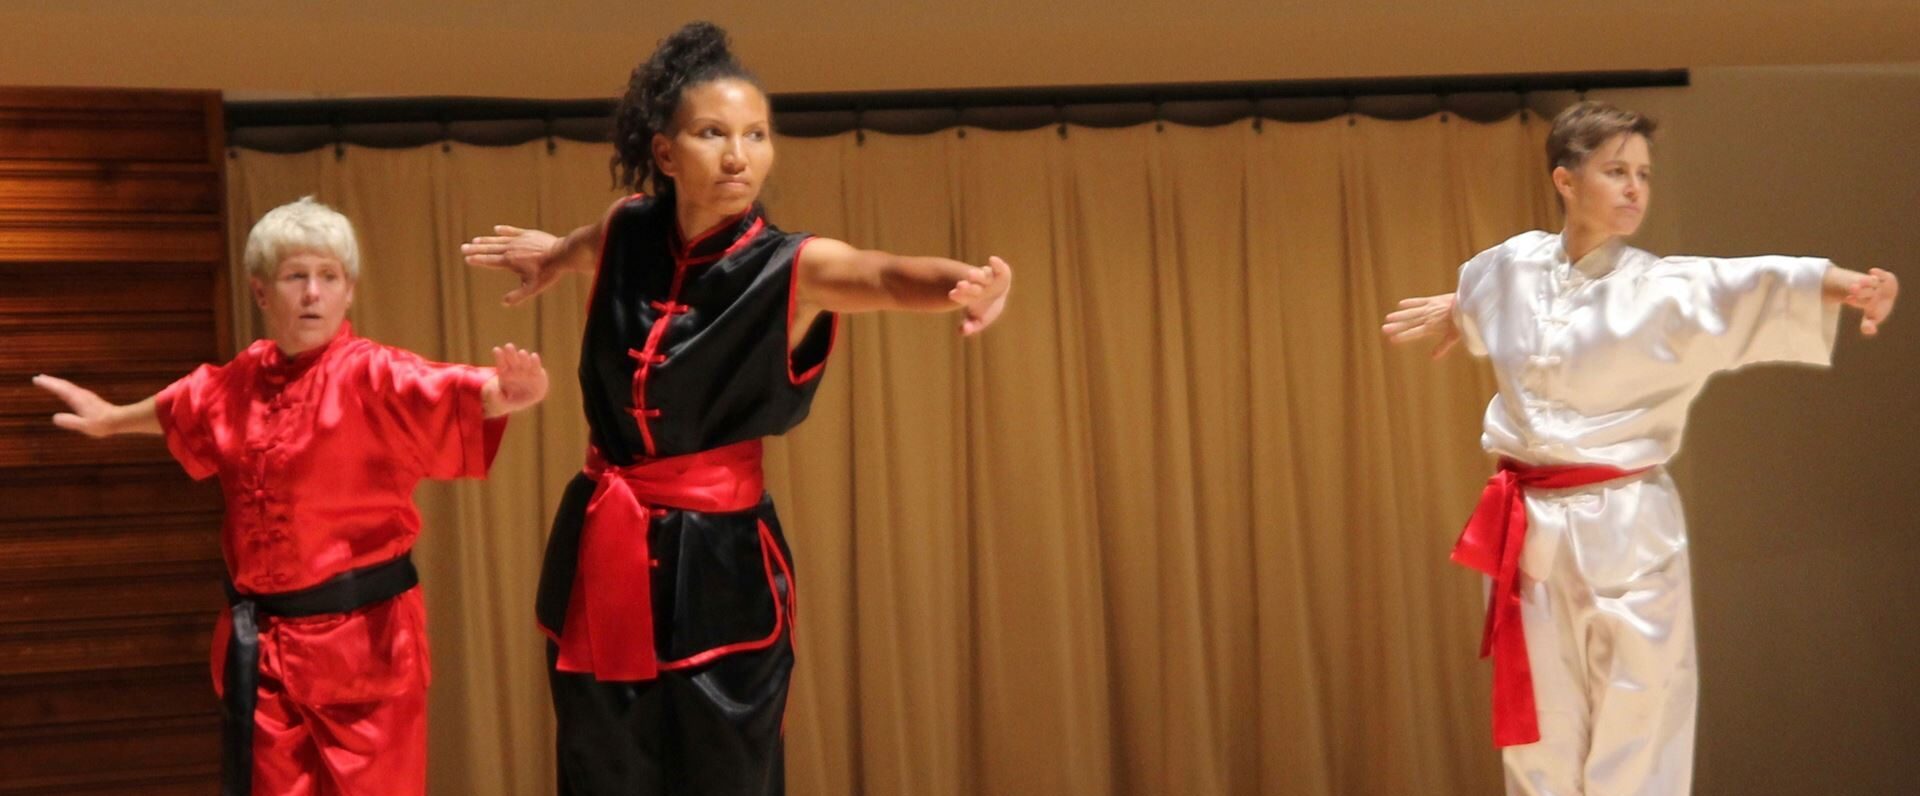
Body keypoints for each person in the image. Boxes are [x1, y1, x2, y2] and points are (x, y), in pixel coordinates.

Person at [460, 20, 1012, 796]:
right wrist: (552, 255)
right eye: (713, 133)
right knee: (601, 764)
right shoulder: (627, 228)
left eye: (756, 135)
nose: (737, 156)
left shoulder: (789, 266)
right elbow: (588, 243)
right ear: (665, 153)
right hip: (604, 542)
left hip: (721, 565)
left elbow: (883, 274)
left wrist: (973, 286)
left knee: (725, 774)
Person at [1381, 101, 1898, 795]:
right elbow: (1489, 300)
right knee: (1541, 727)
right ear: (1566, 181)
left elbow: (1753, 284)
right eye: (1616, 171)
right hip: (1529, 521)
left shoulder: (1662, 288)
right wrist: (1457, 309)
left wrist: (1854, 286)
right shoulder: (1507, 267)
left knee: (1639, 713)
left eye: (1644, 175)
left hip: (1625, 516)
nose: (1634, 189)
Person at [33, 196, 550, 796]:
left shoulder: (371, 374)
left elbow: (440, 388)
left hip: (365, 650)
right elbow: (184, 406)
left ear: (349, 292)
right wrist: (111, 419)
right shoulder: (239, 381)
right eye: (295, 276)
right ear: (260, 292)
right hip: (266, 654)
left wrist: (502, 393)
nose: (312, 293)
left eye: (329, 277)